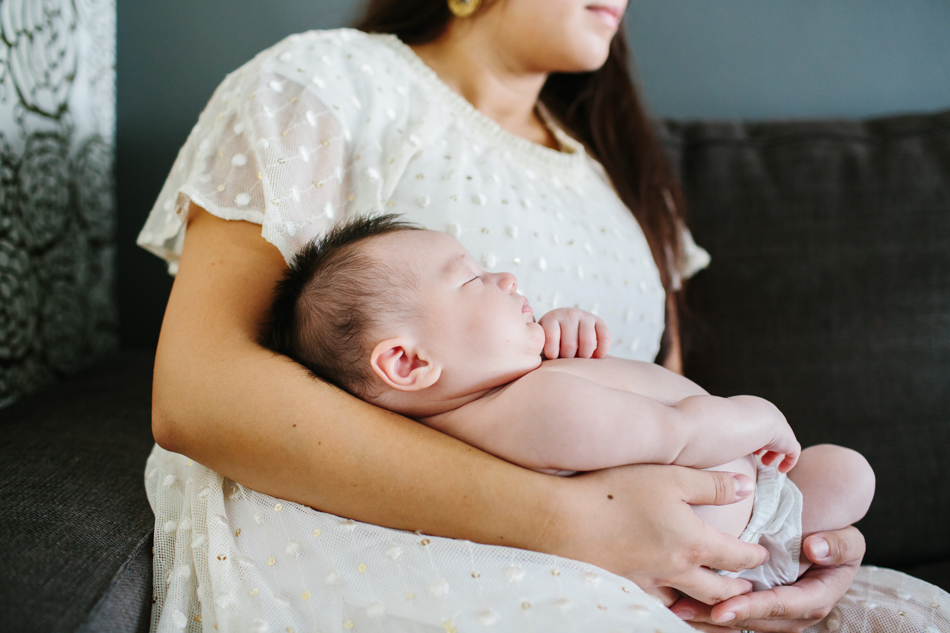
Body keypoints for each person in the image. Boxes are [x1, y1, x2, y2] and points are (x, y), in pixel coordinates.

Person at [140, 1, 875, 631]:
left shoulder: (620, 172)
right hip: (428, 549)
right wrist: (573, 520)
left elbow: (674, 397)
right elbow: (200, 393)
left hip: (688, 567)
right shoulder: (330, 84)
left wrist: (787, 544)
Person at [264, 214, 876, 593]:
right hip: (749, 524)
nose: (504, 278)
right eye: (471, 279)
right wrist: (760, 413)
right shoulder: (535, 409)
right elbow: (677, 433)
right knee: (851, 473)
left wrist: (556, 337)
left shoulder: (502, 396)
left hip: (738, 516)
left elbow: (617, 393)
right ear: (409, 363)